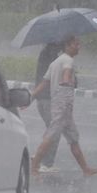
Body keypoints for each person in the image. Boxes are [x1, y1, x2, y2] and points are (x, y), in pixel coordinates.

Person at [29, 35, 97, 178]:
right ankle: (35, 167)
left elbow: (44, 82)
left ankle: (85, 169)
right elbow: (67, 73)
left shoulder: (55, 62)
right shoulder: (68, 60)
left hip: (64, 107)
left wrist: (31, 97)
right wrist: (66, 81)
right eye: (76, 44)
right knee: (50, 136)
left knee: (73, 138)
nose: (79, 47)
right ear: (68, 46)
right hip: (61, 106)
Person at [33, 42, 62, 173]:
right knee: (54, 131)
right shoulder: (53, 58)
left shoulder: (47, 53)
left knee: (51, 129)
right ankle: (46, 163)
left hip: (43, 99)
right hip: (48, 99)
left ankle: (39, 157)